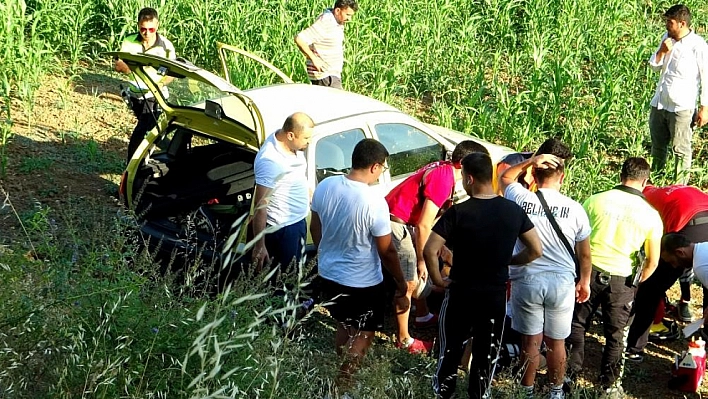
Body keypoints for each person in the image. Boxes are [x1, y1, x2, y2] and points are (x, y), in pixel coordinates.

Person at [423, 152, 543, 399]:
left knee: (450, 348)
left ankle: (444, 394)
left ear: (469, 178)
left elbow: (430, 249)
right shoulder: (513, 211)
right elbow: (535, 250)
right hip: (494, 294)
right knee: (486, 351)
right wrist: (509, 261)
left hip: (460, 291)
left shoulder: (458, 212)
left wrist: (437, 280)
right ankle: (479, 394)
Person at [310, 138, 408, 392]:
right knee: (363, 333)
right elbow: (386, 251)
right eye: (383, 168)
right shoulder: (374, 202)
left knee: (343, 324)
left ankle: (341, 374)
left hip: (329, 273)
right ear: (375, 166)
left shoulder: (326, 186)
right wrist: (400, 281)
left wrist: (325, 253)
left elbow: (315, 225)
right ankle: (344, 385)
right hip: (362, 281)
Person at [566, 157, 663, 398]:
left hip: (588, 272)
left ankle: (569, 375)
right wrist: (635, 284)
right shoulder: (651, 215)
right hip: (622, 279)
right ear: (645, 182)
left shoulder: (595, 200)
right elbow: (653, 261)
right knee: (615, 335)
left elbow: (577, 238)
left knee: (577, 324)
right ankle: (608, 385)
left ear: (621, 176)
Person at [500, 149, 592, 399]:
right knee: (557, 342)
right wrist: (584, 281)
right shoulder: (575, 209)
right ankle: (556, 392)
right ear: (562, 176)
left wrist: (530, 161)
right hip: (561, 283)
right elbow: (584, 254)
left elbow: (506, 178)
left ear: (534, 175)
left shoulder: (521, 198)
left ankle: (526, 391)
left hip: (527, 278)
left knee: (530, 341)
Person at [384, 140, 489, 354]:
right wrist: (424, 259)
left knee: (418, 271)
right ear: (464, 165)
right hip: (396, 223)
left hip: (404, 220)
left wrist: (442, 250)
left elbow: (429, 224)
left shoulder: (443, 168)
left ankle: (422, 316)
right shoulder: (444, 178)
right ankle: (404, 339)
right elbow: (424, 225)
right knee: (410, 280)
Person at [626, 184, 708, 362]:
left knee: (650, 290)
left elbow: (651, 243)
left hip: (688, 230)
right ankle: (704, 345)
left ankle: (634, 348)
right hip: (702, 221)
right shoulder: (667, 193)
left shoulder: (645, 201)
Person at [648, 4, 708, 184]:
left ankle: (679, 188)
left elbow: (706, 77)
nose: (667, 25)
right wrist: (662, 52)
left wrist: (705, 108)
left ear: (682, 23)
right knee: (658, 146)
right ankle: (656, 181)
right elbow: (654, 66)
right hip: (660, 102)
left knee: (680, 150)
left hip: (682, 107)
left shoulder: (698, 46)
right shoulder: (666, 38)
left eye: (670, 22)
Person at [252, 113, 314, 276]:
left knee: (295, 274)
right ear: (291, 135)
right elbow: (260, 207)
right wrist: (259, 246)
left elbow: (299, 174)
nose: (309, 142)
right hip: (283, 229)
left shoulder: (292, 146)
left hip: (298, 222)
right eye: (306, 138)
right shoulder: (270, 161)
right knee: (285, 280)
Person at [114, 7, 177, 161]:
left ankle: (132, 166)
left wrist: (159, 85)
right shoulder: (129, 41)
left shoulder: (166, 46)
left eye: (151, 29)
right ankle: (172, 152)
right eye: (143, 29)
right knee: (153, 130)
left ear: (158, 26)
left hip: (156, 96)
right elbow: (120, 65)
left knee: (142, 131)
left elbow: (172, 74)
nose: (147, 33)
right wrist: (127, 67)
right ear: (138, 26)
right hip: (135, 94)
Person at [294, 0, 358, 89]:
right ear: (337, 11)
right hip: (326, 76)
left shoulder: (335, 21)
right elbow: (300, 39)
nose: (350, 19)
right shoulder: (326, 22)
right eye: (347, 15)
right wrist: (314, 59)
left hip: (330, 74)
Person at [661, 234, 708, 320]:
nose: (674, 266)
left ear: (680, 252)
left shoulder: (700, 266)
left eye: (672, 261)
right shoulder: (704, 246)